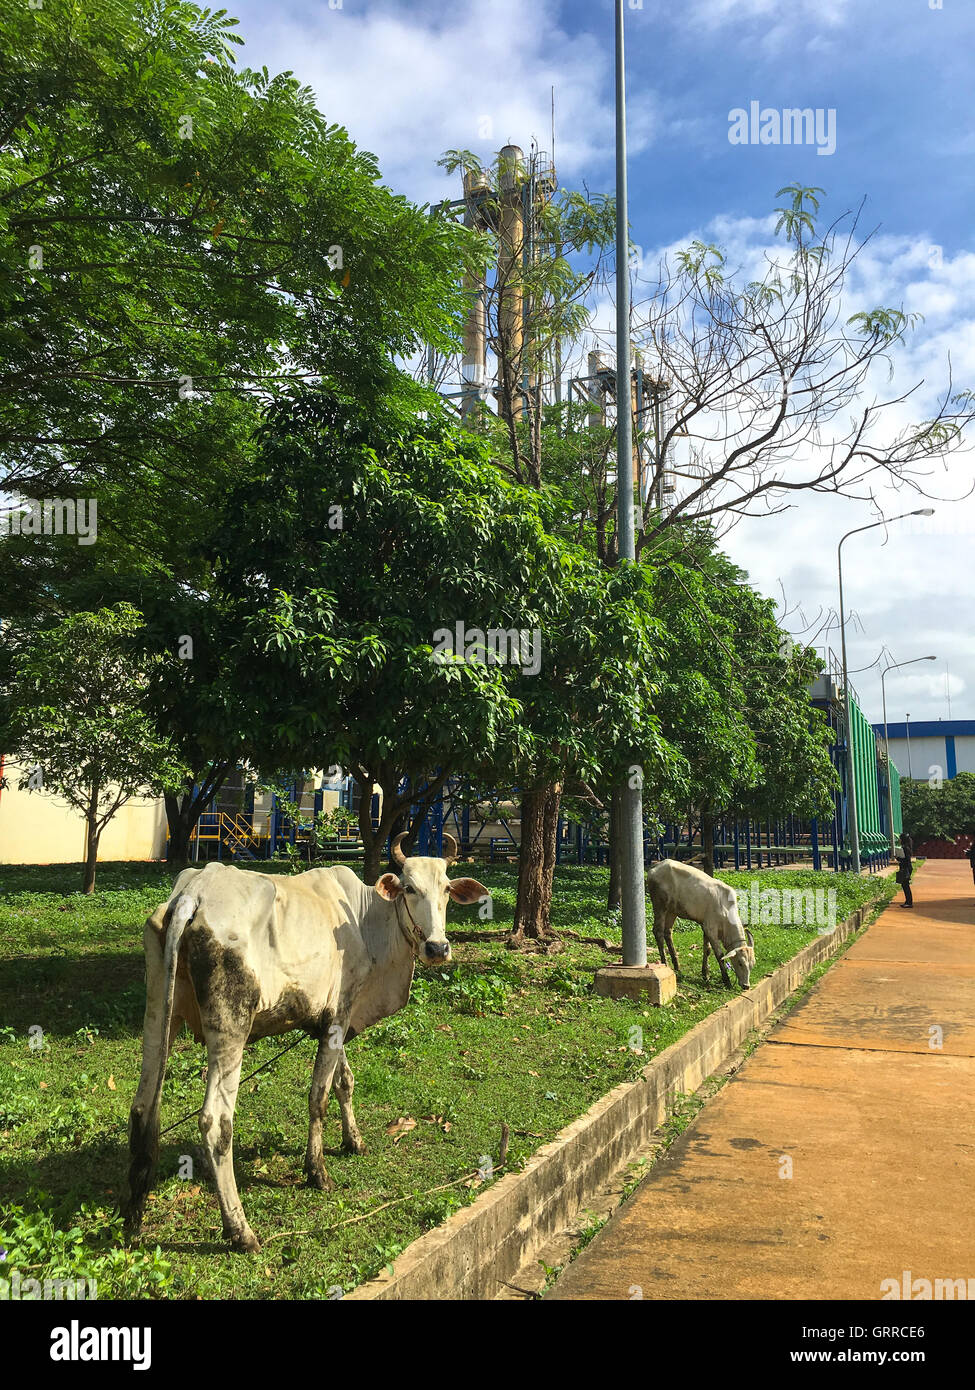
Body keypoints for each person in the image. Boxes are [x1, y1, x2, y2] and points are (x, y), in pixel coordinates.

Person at [896, 834, 914, 908]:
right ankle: (907, 901)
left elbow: (906, 860)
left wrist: (898, 858)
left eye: (900, 839)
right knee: (905, 885)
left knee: (905, 885)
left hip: (905, 868)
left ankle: (909, 902)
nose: (899, 840)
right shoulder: (907, 847)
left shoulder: (905, 848)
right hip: (907, 867)